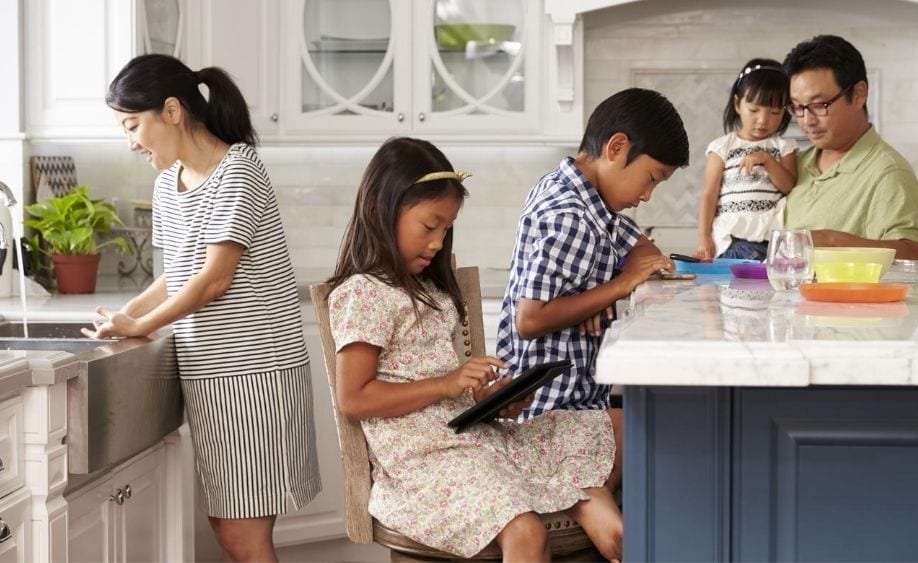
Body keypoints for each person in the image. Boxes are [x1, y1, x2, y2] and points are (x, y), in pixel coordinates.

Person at [325, 137, 624, 562]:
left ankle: (591, 509)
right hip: (425, 461)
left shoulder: (430, 291)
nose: (437, 242)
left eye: (446, 229)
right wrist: (448, 384)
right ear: (381, 210)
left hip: (472, 437)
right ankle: (588, 508)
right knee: (526, 532)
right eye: (429, 226)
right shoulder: (364, 294)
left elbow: (444, 389)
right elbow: (354, 399)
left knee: (616, 425)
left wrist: (488, 399)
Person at [90, 54, 321, 562]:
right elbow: (178, 271)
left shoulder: (239, 169)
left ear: (171, 110)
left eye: (133, 125)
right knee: (229, 525)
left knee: (241, 534)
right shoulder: (167, 184)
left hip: (255, 375)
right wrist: (124, 317)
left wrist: (142, 324)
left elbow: (214, 279)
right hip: (210, 374)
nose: (130, 142)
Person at [497, 87, 689, 424]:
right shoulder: (570, 215)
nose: (646, 195)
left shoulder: (587, 200)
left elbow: (647, 252)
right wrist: (618, 287)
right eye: (651, 179)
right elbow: (530, 320)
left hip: (577, 404)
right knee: (661, 428)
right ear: (616, 147)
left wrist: (596, 296)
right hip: (548, 414)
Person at [782, 34, 918, 260]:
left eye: (819, 105)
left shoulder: (888, 172)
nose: (807, 121)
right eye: (798, 108)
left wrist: (833, 241)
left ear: (859, 94)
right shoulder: (795, 164)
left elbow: (915, 255)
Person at [693, 58, 798, 262]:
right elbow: (709, 195)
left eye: (775, 112)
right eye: (754, 110)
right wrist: (704, 237)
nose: (763, 120)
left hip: (772, 240)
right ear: (737, 104)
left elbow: (788, 186)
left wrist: (767, 160)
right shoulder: (722, 147)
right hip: (733, 239)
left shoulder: (784, 147)